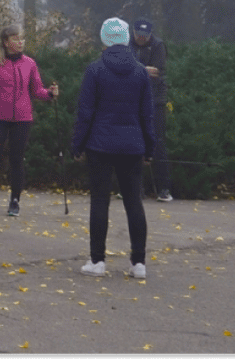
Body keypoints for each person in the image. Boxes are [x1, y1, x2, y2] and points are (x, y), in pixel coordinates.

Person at [72, 17, 154, 279]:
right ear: (127, 39)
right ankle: (138, 263)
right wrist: (150, 147)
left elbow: (85, 112)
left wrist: (78, 144)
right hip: (132, 146)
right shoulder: (141, 72)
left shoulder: (94, 70)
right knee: (134, 203)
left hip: (100, 144)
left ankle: (97, 261)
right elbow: (147, 115)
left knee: (99, 202)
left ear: (104, 39)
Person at [0, 26, 59, 216]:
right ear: (6, 42)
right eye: (16, 39)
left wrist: (50, 94)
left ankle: (15, 201)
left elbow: (37, 90)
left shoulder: (29, 63)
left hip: (22, 118)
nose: (20, 42)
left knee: (17, 159)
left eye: (22, 38)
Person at [130, 19, 172, 201]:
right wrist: (141, 69)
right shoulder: (127, 44)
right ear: (133, 32)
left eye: (145, 35)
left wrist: (133, 69)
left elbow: (156, 72)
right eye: (138, 34)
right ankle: (134, 188)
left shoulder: (158, 45)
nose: (141, 38)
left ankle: (164, 188)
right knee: (132, 142)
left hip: (155, 99)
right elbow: (123, 66)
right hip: (132, 99)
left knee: (157, 142)